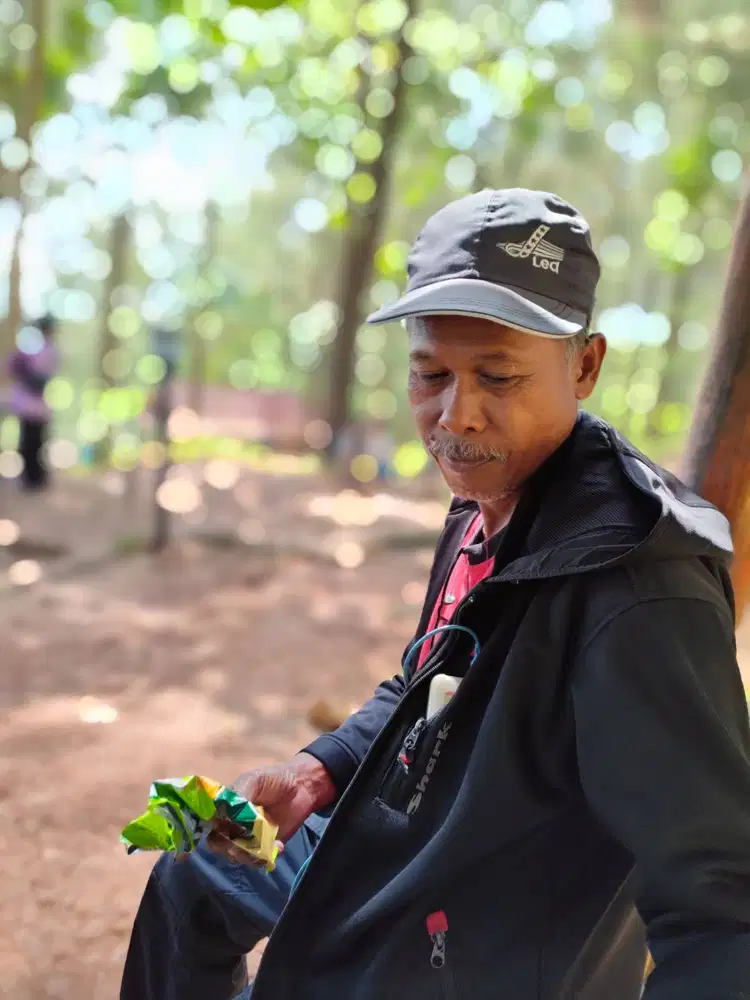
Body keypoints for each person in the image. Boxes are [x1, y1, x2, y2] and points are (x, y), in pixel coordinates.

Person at [120, 189, 750, 1000]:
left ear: (585, 366)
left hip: (474, 931)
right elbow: (436, 684)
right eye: (431, 374)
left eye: (498, 375)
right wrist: (321, 768)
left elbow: (720, 907)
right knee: (195, 872)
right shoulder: (487, 503)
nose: (458, 415)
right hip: (410, 821)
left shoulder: (641, 593)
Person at [7, 313, 59, 491]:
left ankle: (35, 480)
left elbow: (40, 381)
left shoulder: (46, 351)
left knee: (34, 444)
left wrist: (24, 369)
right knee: (28, 443)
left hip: (36, 407)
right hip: (29, 407)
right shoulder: (33, 350)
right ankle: (31, 479)